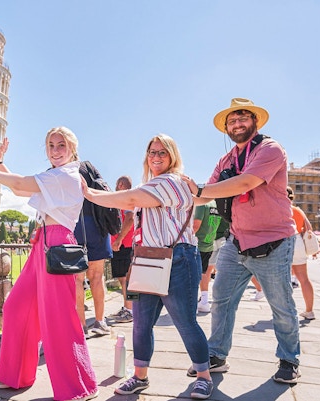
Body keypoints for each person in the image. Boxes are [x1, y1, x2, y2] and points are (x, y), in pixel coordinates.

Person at [82, 134, 214, 399]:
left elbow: (129, 201)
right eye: (151, 152)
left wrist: (89, 193)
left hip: (179, 258)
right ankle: (140, 376)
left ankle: (204, 376)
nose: (156, 157)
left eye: (162, 153)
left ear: (173, 156)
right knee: (141, 323)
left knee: (186, 322)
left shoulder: (172, 181)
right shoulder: (152, 183)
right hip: (147, 258)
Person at [184, 98, 301, 384]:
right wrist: (173, 190)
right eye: (232, 121)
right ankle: (217, 354)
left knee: (281, 306)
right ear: (226, 128)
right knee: (222, 299)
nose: (237, 124)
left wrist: (198, 188)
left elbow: (246, 182)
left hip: (273, 241)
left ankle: (289, 359)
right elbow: (204, 195)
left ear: (255, 122)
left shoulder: (271, 149)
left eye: (242, 118)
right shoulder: (225, 160)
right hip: (236, 241)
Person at [0, 128, 98, 401]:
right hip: (43, 243)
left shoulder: (68, 174)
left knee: (58, 317)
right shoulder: (54, 177)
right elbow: (20, 187)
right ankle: (14, 376)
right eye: (51, 145)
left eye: (61, 145)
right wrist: (0, 165)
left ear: (72, 149)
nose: (56, 149)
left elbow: (22, 184)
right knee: (16, 307)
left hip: (57, 241)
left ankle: (78, 386)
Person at [75, 162, 113, 337]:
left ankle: (81, 325)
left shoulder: (60, 170)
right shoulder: (88, 167)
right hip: (97, 225)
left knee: (77, 279)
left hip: (75, 225)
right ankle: (100, 321)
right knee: (97, 276)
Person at [107, 176, 135, 323]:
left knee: (125, 279)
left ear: (120, 184)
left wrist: (119, 239)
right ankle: (129, 308)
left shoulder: (125, 199)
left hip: (124, 243)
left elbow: (129, 219)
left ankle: (130, 310)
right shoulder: (128, 199)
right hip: (126, 243)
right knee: (126, 278)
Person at [287, 186, 316, 320]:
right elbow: (308, 228)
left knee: (282, 280)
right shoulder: (298, 210)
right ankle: (309, 311)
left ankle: (286, 311)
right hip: (298, 241)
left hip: (283, 242)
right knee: (304, 279)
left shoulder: (279, 208)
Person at [193, 200, 220, 313]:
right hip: (208, 243)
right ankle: (204, 300)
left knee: (191, 276)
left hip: (197, 244)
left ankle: (190, 304)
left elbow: (195, 226)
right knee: (204, 273)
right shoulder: (215, 204)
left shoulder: (201, 204)